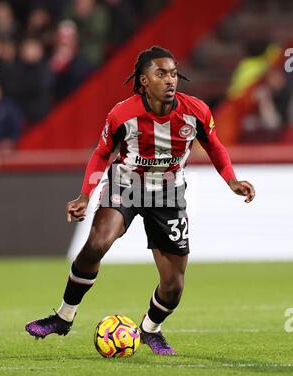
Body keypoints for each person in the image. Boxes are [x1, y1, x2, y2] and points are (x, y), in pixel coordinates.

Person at [25, 46, 255, 355]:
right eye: (161, 74)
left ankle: (150, 330)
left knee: (174, 285)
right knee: (97, 243)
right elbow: (102, 152)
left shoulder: (196, 110)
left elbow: (213, 146)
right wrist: (85, 195)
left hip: (170, 192)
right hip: (127, 184)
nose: (170, 80)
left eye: (173, 73)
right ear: (144, 81)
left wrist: (232, 180)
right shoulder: (123, 113)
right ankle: (64, 317)